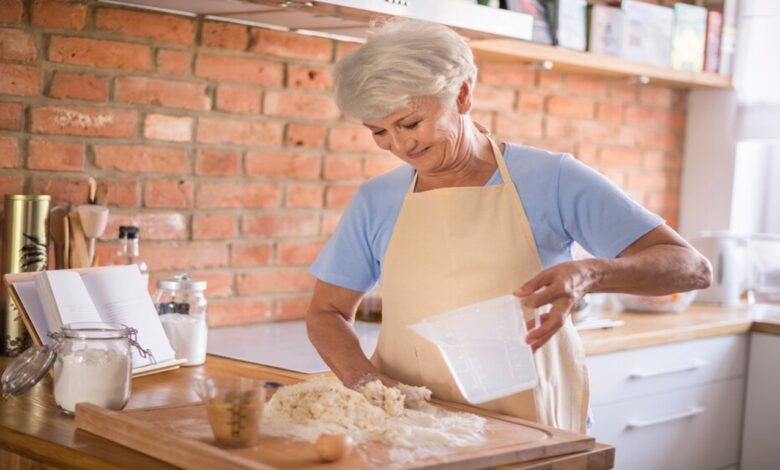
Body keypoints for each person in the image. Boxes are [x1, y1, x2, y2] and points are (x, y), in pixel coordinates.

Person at [306, 19, 711, 434]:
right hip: (414, 431)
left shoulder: (553, 178)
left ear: (462, 95)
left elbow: (691, 268)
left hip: (532, 429)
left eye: (410, 123)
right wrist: (364, 379)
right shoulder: (377, 199)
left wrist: (590, 273)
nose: (399, 145)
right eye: (379, 131)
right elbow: (326, 311)